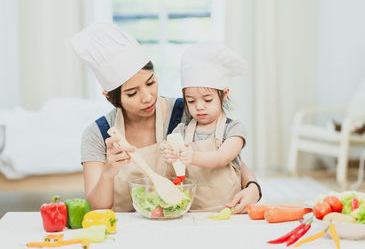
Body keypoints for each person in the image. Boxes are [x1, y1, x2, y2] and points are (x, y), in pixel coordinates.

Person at [71, 22, 261, 213]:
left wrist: (253, 187)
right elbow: (98, 206)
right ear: (109, 97)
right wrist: (108, 172)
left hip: (177, 223)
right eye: (132, 93)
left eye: (150, 82)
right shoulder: (98, 134)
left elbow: (228, 157)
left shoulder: (186, 111)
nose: (147, 97)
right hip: (125, 228)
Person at [162, 42, 250, 212]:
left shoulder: (234, 129)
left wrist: (191, 157)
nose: (199, 106)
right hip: (189, 211)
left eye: (207, 100)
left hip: (227, 211)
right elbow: (171, 166)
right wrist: (170, 155)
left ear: (224, 95)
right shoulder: (181, 131)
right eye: (191, 101)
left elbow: (222, 157)